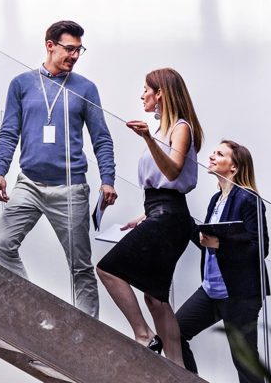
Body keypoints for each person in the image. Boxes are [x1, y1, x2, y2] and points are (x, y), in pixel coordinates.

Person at [0, 20, 117, 318]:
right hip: (29, 185)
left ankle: (88, 334)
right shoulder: (21, 84)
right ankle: (31, 309)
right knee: (2, 245)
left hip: (71, 189)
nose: (74, 56)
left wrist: (108, 179)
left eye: (79, 50)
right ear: (50, 45)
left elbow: (102, 138)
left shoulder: (85, 88)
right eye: (69, 49)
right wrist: (0, 171)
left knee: (80, 267)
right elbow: (9, 131)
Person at [97, 68, 203, 367]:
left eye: (146, 89)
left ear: (161, 94)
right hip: (161, 212)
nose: (142, 94)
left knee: (107, 269)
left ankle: (144, 336)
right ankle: (178, 369)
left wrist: (147, 139)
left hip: (170, 218)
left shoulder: (180, 128)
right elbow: (161, 188)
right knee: (156, 298)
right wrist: (143, 216)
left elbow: (172, 172)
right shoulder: (162, 130)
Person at [176, 140, 270, 383]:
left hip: (239, 294)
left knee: (245, 363)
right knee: (174, 332)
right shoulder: (216, 199)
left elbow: (260, 247)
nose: (212, 156)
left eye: (220, 154)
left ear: (234, 167)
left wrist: (220, 244)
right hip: (211, 290)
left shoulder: (249, 199)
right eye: (214, 152)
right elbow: (209, 242)